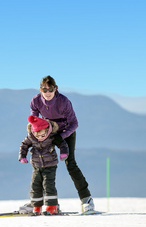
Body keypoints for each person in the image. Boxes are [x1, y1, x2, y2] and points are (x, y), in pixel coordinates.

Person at [20, 75, 95, 213]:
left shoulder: (63, 101)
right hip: (46, 133)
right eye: (44, 90)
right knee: (40, 164)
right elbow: (34, 121)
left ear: (55, 89)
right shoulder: (36, 101)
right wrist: (34, 137)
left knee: (70, 164)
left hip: (66, 132)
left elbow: (74, 123)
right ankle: (38, 202)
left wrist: (61, 137)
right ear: (40, 90)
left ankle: (86, 199)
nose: (47, 93)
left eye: (50, 89)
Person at [19, 115, 69, 215]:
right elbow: (24, 145)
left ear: (47, 130)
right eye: (38, 136)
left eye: (43, 135)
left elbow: (62, 144)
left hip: (50, 165)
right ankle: (37, 207)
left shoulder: (52, 137)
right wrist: (22, 156)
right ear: (33, 132)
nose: (40, 138)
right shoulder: (31, 137)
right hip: (36, 166)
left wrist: (64, 153)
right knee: (35, 185)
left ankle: (52, 207)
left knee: (48, 185)